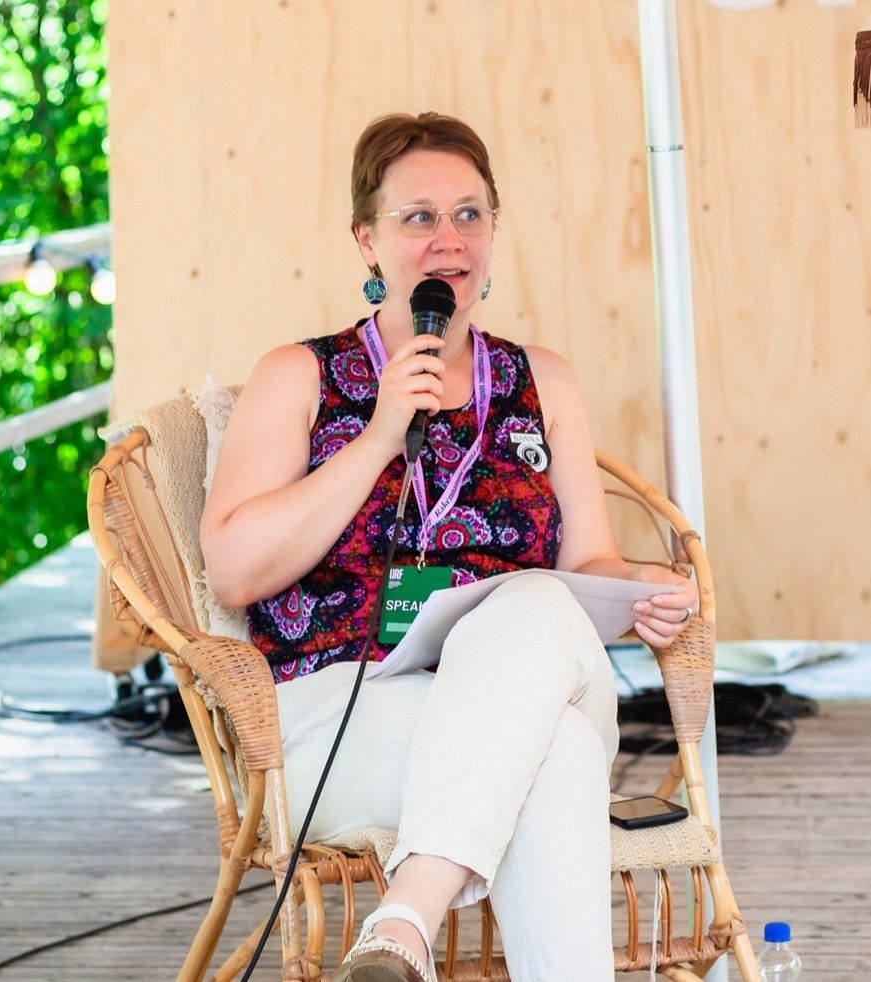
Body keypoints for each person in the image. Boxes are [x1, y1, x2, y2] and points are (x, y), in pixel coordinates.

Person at [200, 111, 698, 982]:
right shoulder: (301, 376)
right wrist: (380, 436)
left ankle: (401, 926)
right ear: (366, 240)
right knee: (558, 762)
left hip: (516, 686)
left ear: (495, 232)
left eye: (469, 214)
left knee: (537, 599)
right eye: (417, 217)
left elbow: (589, 564)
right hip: (339, 709)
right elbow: (236, 570)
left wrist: (644, 589)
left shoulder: (541, 379)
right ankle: (411, 927)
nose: (447, 240)